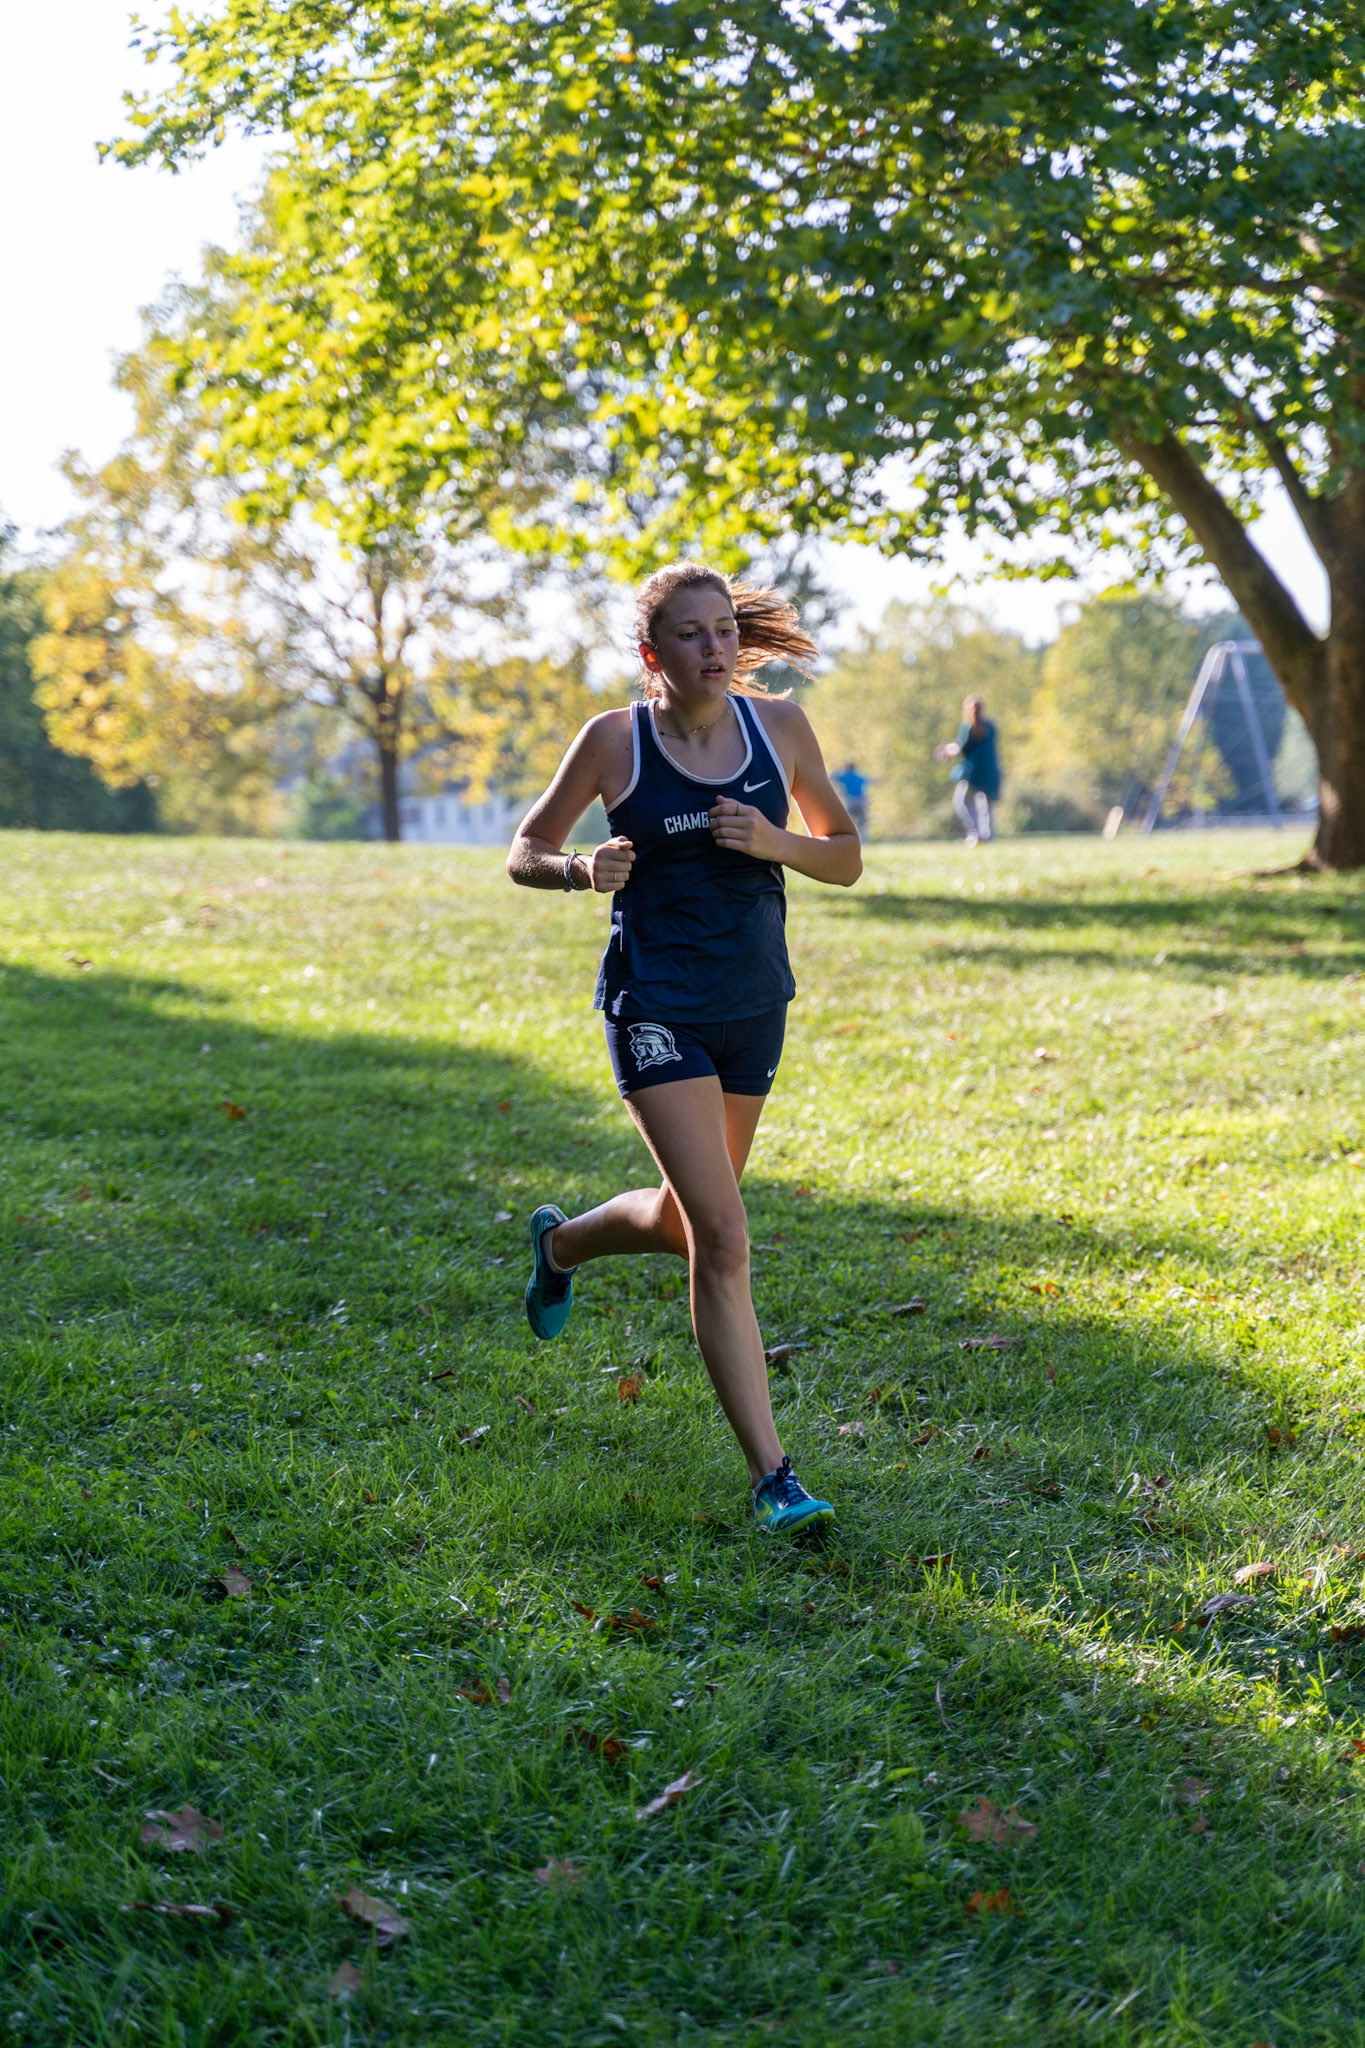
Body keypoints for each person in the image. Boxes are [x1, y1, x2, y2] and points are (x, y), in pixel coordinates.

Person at [506, 562, 862, 1533]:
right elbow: (525, 850)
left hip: (752, 1002)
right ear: (651, 652)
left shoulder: (779, 729)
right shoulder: (613, 740)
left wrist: (775, 842)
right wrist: (581, 868)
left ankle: (561, 1244)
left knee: (683, 1220)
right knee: (723, 1233)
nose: (714, 648)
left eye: (724, 631)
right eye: (692, 634)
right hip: (654, 1003)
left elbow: (845, 855)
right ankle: (774, 1476)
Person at [933, 696, 1001, 844]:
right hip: (991, 772)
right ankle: (988, 836)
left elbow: (961, 747)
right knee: (986, 806)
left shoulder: (969, 726)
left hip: (973, 773)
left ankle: (975, 833)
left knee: (961, 801)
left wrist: (946, 751)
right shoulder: (991, 726)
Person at [831, 761, 869, 837]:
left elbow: (832, 777)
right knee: (862, 822)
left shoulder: (845, 776)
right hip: (861, 801)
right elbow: (872, 780)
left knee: (846, 821)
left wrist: (838, 769)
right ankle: (863, 838)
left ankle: (844, 836)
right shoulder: (859, 775)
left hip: (850, 801)